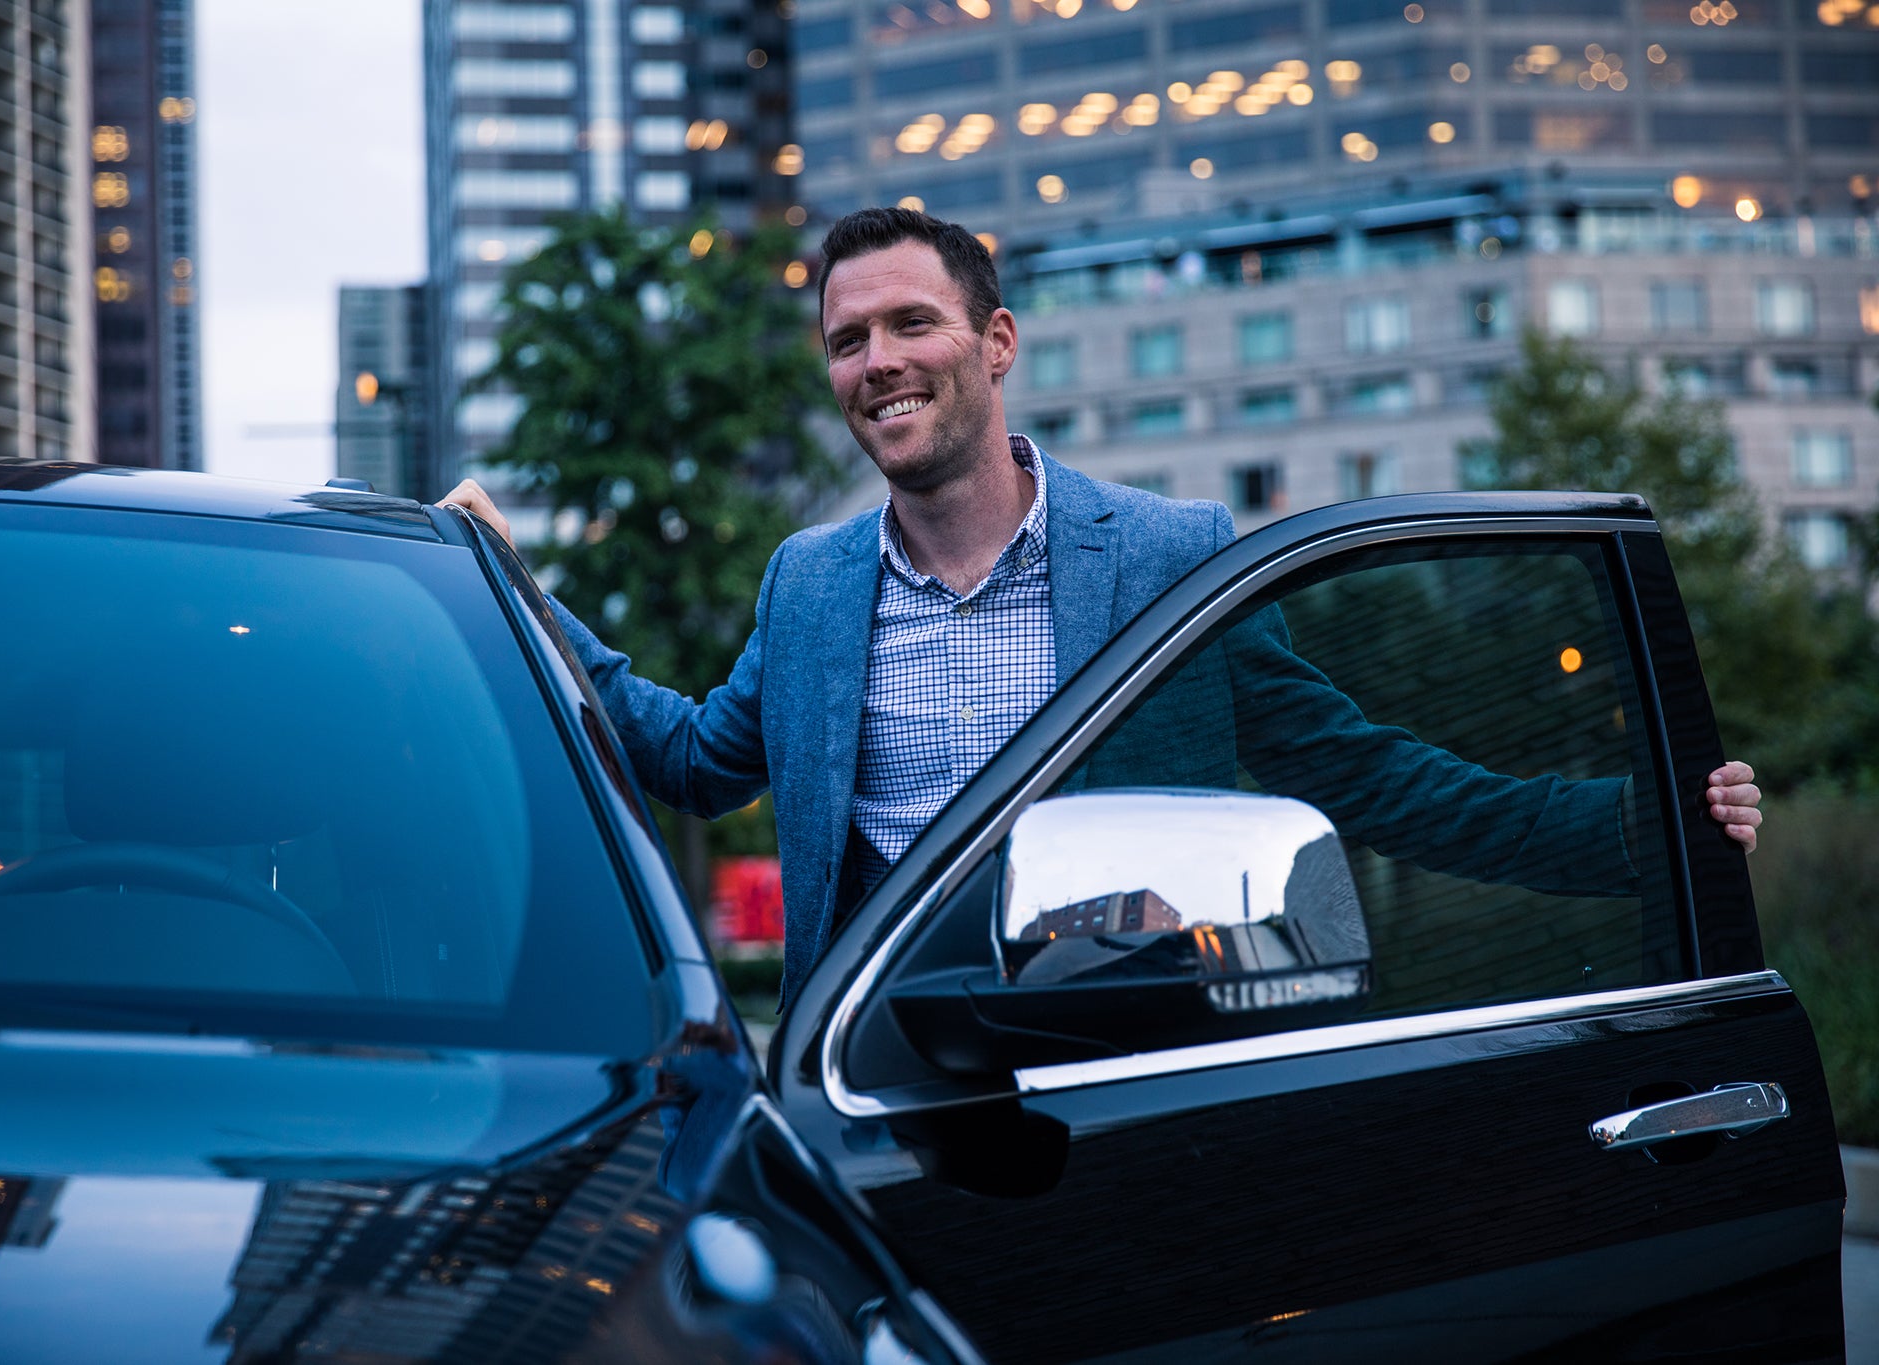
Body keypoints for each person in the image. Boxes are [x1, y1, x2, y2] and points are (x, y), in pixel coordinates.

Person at [442, 207, 1764, 1007]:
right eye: (848, 341)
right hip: (872, 1086)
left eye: (913, 323)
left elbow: (1373, 778)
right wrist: (517, 588)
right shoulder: (808, 585)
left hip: (1121, 1076)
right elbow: (688, 759)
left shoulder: (1171, 554)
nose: (880, 362)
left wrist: (1652, 827)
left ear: (995, 341)